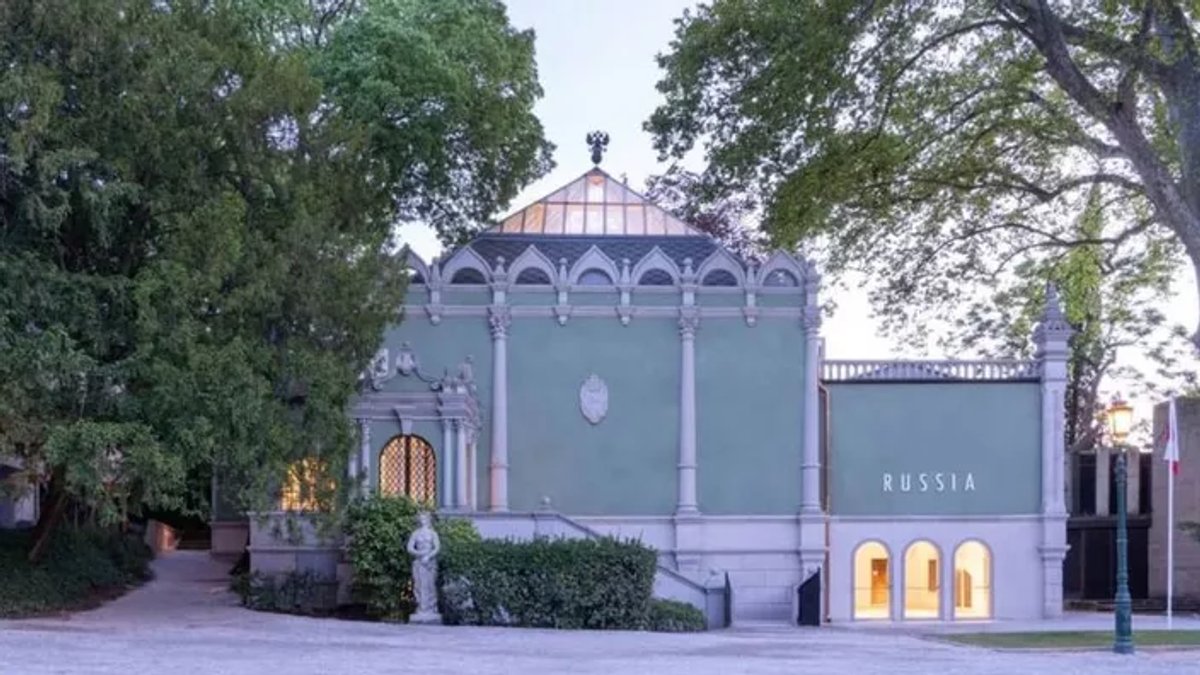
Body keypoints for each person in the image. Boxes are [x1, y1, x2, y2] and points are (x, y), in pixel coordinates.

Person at [406, 511, 441, 620]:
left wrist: (429, 556)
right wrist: (420, 554)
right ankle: (421, 607)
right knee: (419, 584)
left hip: (429, 562)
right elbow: (410, 548)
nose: (422, 521)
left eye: (425, 519)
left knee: (430, 585)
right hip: (419, 561)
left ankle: (431, 607)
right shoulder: (416, 533)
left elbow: (437, 547)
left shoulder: (433, 533)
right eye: (421, 519)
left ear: (429, 520)